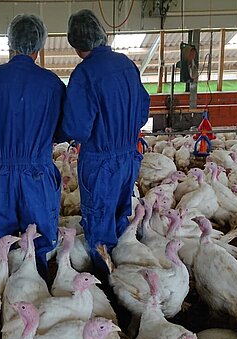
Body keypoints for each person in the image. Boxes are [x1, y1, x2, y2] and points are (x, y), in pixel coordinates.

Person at [0, 14, 65, 277]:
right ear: (39, 45)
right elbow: (64, 130)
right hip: (38, 175)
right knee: (38, 243)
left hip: (2, 176)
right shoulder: (52, 83)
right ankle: (36, 287)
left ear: (11, 43)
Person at [60, 10, 150, 274]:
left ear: (76, 45)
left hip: (100, 162)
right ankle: (125, 268)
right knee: (121, 215)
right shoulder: (127, 65)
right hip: (128, 158)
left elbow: (77, 127)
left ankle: (106, 281)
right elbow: (143, 112)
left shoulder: (84, 74)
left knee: (99, 223)